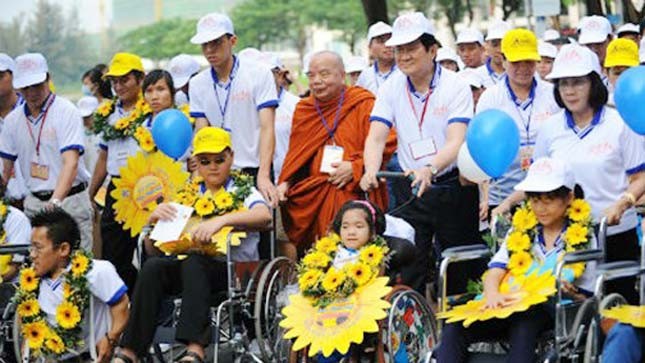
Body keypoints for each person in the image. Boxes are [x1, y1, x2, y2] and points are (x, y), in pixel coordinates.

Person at [499, 43, 645, 304]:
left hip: (613, 234)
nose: (569, 90)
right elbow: (540, 180)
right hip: (565, 239)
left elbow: (640, 176)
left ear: (593, 83)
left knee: (618, 309)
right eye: (563, 83)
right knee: (570, 314)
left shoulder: (619, 123)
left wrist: (623, 203)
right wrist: (509, 201)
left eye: (577, 82)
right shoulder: (551, 129)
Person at [114, 127, 271, 363]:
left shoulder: (243, 190)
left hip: (230, 270)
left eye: (220, 160)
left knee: (194, 262)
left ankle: (195, 348)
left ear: (232, 158)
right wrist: (153, 223)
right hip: (189, 267)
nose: (213, 167)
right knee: (154, 266)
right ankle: (131, 351)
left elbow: (264, 217)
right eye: (205, 161)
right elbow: (153, 250)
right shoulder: (186, 194)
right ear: (195, 163)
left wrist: (222, 221)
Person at [361, 12, 482, 296]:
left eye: (411, 48)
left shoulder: (456, 85)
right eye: (399, 49)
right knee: (407, 260)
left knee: (457, 264)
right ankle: (410, 329)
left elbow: (456, 140)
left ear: (432, 49)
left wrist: (430, 167)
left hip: (450, 184)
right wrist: (369, 169)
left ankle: (459, 332)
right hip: (409, 186)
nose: (403, 56)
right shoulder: (390, 87)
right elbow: (376, 135)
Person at [437, 157, 597, 363]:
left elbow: (587, 297)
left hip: (549, 310)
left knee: (525, 321)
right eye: (535, 200)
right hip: (507, 301)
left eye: (549, 199)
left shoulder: (583, 235)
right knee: (455, 326)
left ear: (569, 198)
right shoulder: (521, 228)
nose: (541, 208)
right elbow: (496, 269)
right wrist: (492, 294)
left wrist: (570, 292)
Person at [277, 51, 395, 260]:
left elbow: (387, 139)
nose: (317, 81)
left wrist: (356, 166)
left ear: (342, 75)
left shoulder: (362, 102)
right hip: (316, 195)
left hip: (352, 191)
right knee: (317, 257)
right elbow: (297, 155)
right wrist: (286, 181)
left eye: (324, 74)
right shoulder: (304, 109)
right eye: (311, 75)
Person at [0, 53, 93, 250]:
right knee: (39, 270)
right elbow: (5, 170)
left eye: (37, 85)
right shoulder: (13, 121)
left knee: (78, 269)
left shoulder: (65, 111)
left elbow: (71, 162)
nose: (32, 92)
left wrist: (55, 202)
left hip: (69, 201)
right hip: (34, 202)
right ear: (18, 86)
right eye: (26, 87)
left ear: (48, 79)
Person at [188, 12, 279, 208]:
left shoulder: (258, 73)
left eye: (216, 43)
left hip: (253, 168)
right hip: (217, 171)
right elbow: (202, 131)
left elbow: (267, 127)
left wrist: (263, 175)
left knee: (259, 228)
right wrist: (199, 173)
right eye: (205, 45)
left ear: (232, 41)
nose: (210, 50)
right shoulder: (197, 83)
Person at [27, 207, 129, 362]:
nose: (32, 255)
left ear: (63, 249)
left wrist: (110, 339)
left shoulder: (95, 271)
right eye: (31, 247)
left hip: (91, 357)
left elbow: (122, 305)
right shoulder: (31, 279)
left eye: (38, 247)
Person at [479, 29, 560, 220]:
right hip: (502, 195)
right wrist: (484, 197)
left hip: (548, 192)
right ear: (504, 60)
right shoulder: (490, 98)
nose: (523, 68)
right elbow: (482, 148)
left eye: (529, 62)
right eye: (516, 62)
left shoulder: (552, 94)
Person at [89, 52, 146, 292]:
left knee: (149, 250)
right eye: (114, 82)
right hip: (117, 188)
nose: (119, 86)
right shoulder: (107, 114)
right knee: (114, 255)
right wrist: (91, 191)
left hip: (148, 186)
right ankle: (128, 305)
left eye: (124, 80)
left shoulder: (150, 109)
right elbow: (104, 155)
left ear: (140, 79)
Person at [0, 53, 28, 204]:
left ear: (14, 76)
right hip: (3, 202)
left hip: (36, 199)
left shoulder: (31, 111)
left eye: (0, 76)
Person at [356, 21, 399, 95]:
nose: (388, 45)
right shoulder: (365, 76)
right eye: (381, 41)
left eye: (390, 40)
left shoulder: (404, 71)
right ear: (370, 47)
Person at [477, 20, 511, 87]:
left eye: (504, 45)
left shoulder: (520, 75)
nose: (500, 50)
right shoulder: (477, 76)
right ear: (486, 46)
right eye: (495, 45)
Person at [77, 96, 100, 176]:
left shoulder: (105, 134)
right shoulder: (79, 134)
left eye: (88, 117)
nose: (85, 121)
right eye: (83, 118)